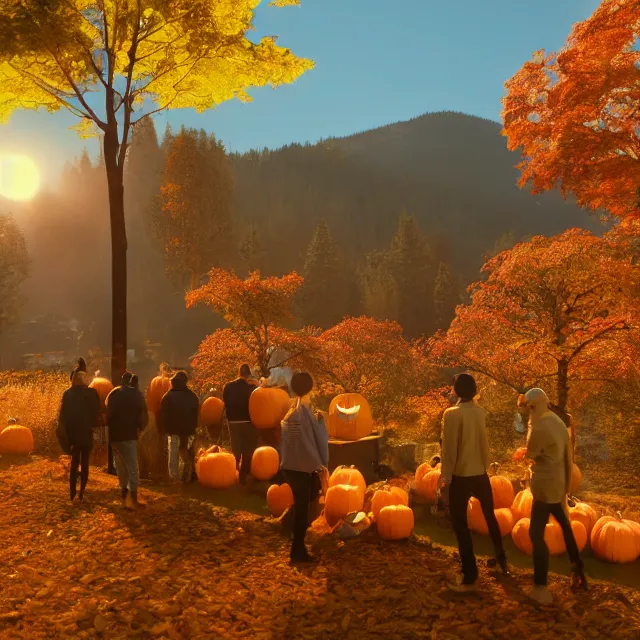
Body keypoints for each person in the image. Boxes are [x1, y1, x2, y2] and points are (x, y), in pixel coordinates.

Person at [440, 373, 507, 592]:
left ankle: (470, 577)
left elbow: (448, 449)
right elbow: (483, 443)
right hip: (480, 474)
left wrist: (446, 479)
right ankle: (502, 562)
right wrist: (485, 466)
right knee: (490, 517)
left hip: (461, 475)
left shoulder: (451, 414)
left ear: (456, 390)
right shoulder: (480, 412)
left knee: (461, 525)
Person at [522, 388, 587, 604]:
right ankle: (577, 568)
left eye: (528, 408)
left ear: (533, 407)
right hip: (559, 483)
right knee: (565, 525)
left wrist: (523, 456)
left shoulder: (539, 427)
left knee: (535, 533)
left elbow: (531, 453)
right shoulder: (557, 422)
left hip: (545, 486)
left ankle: (541, 587)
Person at [280, 372, 328, 563]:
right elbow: (318, 440)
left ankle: (296, 544)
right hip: (303, 467)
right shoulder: (306, 414)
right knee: (303, 508)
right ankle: (297, 550)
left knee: (303, 504)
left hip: (290, 466)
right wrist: (321, 423)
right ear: (310, 388)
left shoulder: (291, 412)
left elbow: (288, 439)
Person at [106, 371, 148, 508]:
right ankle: (133, 498)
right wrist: (140, 428)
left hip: (115, 435)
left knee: (120, 466)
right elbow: (143, 415)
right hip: (129, 435)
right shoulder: (137, 395)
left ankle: (123, 495)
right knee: (132, 467)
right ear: (132, 381)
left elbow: (108, 413)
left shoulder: (113, 393)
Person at [58, 371, 101, 502]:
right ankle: (82, 491)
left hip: (73, 435)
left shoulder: (67, 394)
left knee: (74, 462)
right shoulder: (92, 394)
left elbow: (62, 416)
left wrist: (65, 435)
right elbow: (96, 412)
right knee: (85, 463)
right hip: (87, 432)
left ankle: (72, 492)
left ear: (73, 380)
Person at [157, 371, 200, 482]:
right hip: (188, 431)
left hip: (173, 431)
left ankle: (175, 477)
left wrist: (162, 430)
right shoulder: (193, 396)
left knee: (173, 454)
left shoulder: (167, 397)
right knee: (185, 453)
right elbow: (197, 414)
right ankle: (188, 473)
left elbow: (162, 415)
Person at [223, 364, 259, 484]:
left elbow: (225, 403)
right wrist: (257, 384)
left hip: (233, 421)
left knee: (236, 450)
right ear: (248, 374)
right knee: (248, 449)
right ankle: (243, 476)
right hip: (248, 421)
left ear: (238, 373)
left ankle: (233, 473)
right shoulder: (252, 388)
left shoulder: (227, 386)